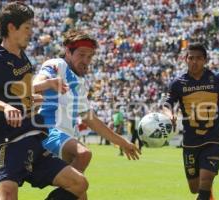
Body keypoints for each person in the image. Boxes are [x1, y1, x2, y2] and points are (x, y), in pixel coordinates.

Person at [0, 2, 88, 200]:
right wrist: (5, 107)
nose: (31, 32)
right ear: (11, 28)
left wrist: (42, 88)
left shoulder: (22, 58)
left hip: (34, 141)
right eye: (27, 28)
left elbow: (20, 92)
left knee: (79, 183)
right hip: (9, 141)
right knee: (7, 195)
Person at [33, 29, 140, 179]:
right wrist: (47, 83)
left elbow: (91, 120)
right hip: (48, 131)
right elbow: (35, 84)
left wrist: (123, 142)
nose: (86, 60)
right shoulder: (57, 64)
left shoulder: (80, 84)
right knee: (84, 154)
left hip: (65, 137)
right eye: (81, 55)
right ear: (68, 52)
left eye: (89, 56)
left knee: (80, 191)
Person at [163, 43, 219, 200]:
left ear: (205, 60)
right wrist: (170, 114)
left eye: (198, 58)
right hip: (190, 142)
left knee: (206, 179)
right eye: (191, 58)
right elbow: (167, 104)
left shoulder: (216, 79)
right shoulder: (178, 83)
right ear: (185, 59)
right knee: (195, 188)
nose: (194, 62)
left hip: (212, 140)